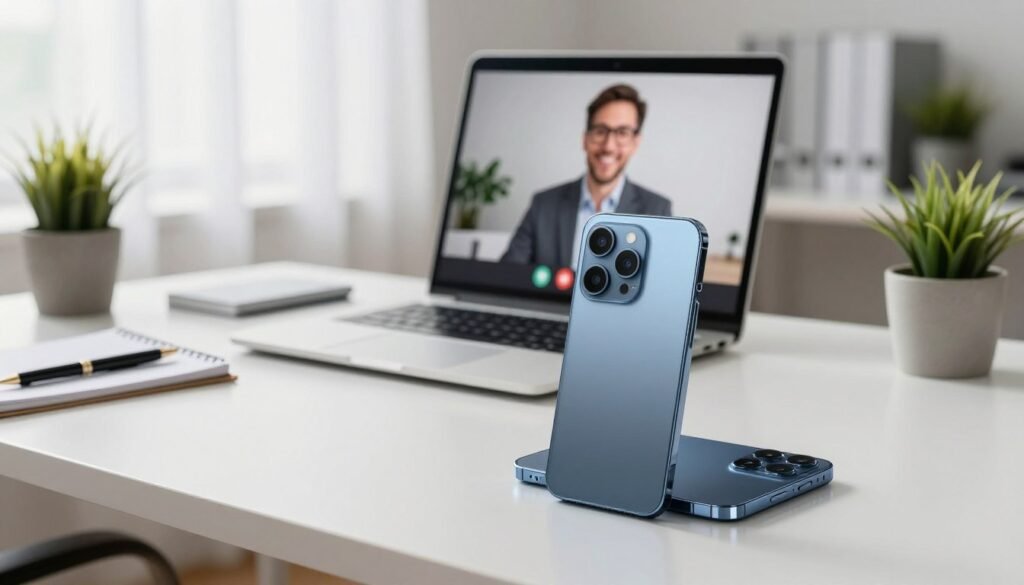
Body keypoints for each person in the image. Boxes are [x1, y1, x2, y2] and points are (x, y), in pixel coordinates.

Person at [500, 84, 671, 267]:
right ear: (585, 139)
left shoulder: (657, 211)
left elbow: (662, 287)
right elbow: (507, 276)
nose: (608, 146)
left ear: (635, 143)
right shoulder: (543, 205)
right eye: (600, 131)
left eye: (622, 133)